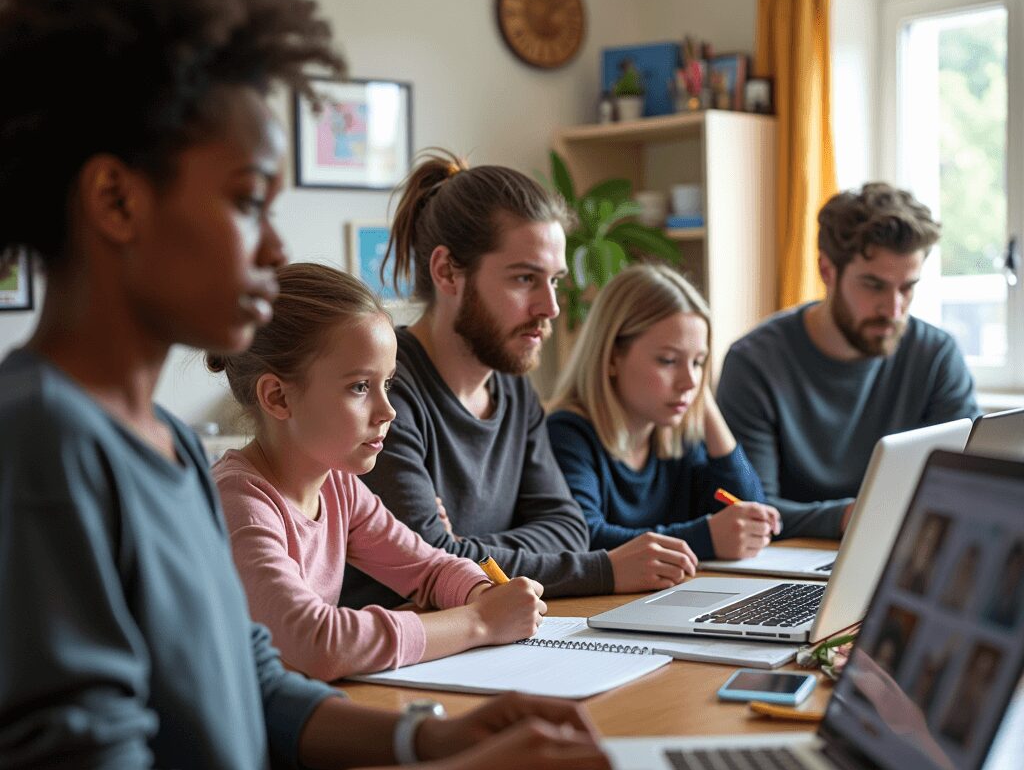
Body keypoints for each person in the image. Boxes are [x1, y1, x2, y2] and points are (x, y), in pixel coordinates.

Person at [0, 0, 615, 770]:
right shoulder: (41, 447)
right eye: (248, 202)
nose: (279, 250)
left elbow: (258, 682)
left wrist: (432, 736)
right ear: (116, 201)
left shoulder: (162, 445)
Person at [339, 151, 698, 612]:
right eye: (525, 278)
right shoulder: (387, 393)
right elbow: (427, 566)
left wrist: (465, 545)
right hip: (397, 662)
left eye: (554, 281)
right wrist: (601, 568)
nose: (550, 306)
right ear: (447, 271)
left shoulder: (511, 386)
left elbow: (569, 527)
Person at [209, 262, 546, 681]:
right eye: (359, 387)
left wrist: (481, 591)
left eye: (386, 383)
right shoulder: (239, 504)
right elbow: (319, 643)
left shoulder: (339, 489)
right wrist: (480, 621)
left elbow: (431, 567)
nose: (388, 411)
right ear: (278, 397)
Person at [717, 182, 978, 540]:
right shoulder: (754, 363)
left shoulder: (936, 356)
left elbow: (966, 490)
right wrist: (851, 516)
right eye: (873, 285)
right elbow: (749, 511)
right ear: (827, 271)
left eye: (907, 287)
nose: (893, 309)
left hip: (902, 555)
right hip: (789, 563)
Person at [546, 265, 780, 560]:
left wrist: (703, 402)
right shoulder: (567, 435)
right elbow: (583, 538)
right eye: (669, 360)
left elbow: (748, 513)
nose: (690, 381)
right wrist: (704, 539)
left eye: (698, 362)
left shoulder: (677, 436)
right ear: (612, 358)